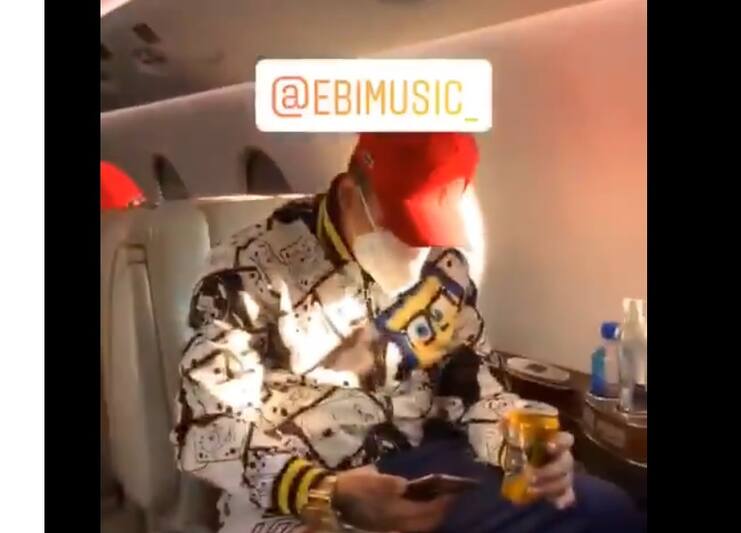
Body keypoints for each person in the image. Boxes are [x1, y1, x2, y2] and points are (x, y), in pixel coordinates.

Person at [171, 133, 644, 533]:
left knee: (607, 510)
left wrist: (521, 448)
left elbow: (476, 391)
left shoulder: (445, 270)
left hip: (426, 472)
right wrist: (327, 492)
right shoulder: (246, 274)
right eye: (400, 229)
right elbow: (207, 428)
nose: (417, 253)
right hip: (297, 485)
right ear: (350, 193)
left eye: (428, 234)